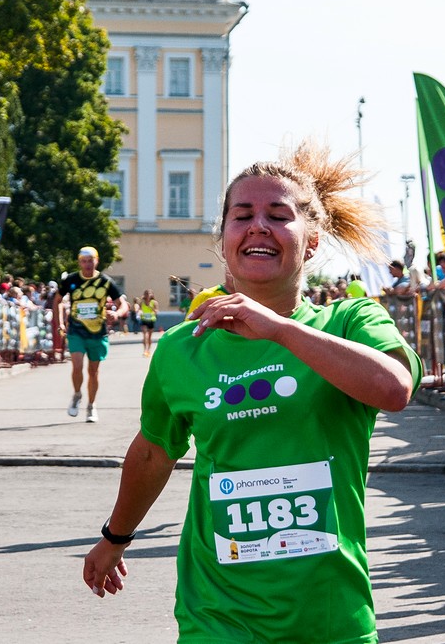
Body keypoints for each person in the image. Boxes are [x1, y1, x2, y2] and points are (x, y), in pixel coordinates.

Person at [82, 142, 421, 642]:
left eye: (278, 215)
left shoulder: (349, 321)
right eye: (242, 215)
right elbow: (154, 451)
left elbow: (393, 389)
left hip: (329, 616)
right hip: (218, 614)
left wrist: (281, 329)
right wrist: (115, 537)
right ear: (223, 239)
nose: (258, 225)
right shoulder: (182, 349)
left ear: (310, 242)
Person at [53, 246, 128, 422]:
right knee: (77, 365)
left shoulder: (105, 282)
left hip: (98, 332)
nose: (87, 264)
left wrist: (116, 314)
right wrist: (60, 323)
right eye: (83, 261)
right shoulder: (71, 280)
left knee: (93, 371)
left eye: (90, 261)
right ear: (79, 262)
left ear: (96, 261)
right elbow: (57, 300)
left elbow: (123, 304)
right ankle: (77, 394)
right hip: (76, 330)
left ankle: (91, 405)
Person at [137, 289, 159, 357]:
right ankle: (144, 350)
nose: (148, 295)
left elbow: (156, 312)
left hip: (151, 320)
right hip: (144, 320)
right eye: (146, 293)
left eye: (149, 293)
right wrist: (139, 313)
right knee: (144, 335)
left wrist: (152, 308)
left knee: (149, 337)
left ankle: (148, 350)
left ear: (151, 294)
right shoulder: (142, 302)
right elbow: (139, 309)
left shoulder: (154, 302)